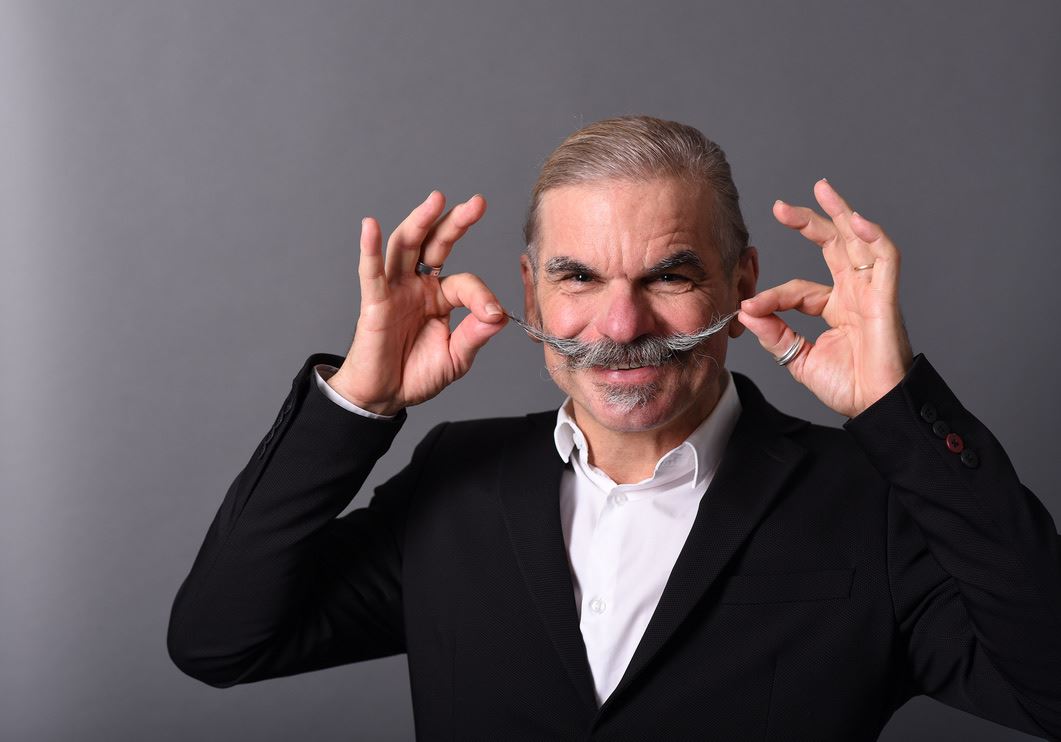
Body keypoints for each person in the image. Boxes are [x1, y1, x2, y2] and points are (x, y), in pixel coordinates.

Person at [168, 116, 1061, 740]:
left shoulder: (869, 502)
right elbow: (220, 642)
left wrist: (895, 409)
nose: (621, 326)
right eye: (579, 278)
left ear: (740, 282)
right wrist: (358, 401)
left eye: (669, 276)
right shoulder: (454, 480)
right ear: (531, 295)